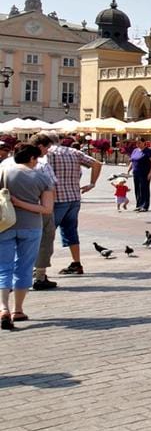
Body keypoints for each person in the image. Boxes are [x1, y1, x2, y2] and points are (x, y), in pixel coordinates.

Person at [0, 142, 53, 330]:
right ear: (32, 158)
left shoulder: (4, 172)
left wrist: (12, 202)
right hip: (31, 226)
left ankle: (3, 308)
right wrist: (22, 203)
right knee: (23, 267)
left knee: (3, 268)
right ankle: (18, 310)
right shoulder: (42, 177)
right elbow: (47, 209)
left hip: (4, 224)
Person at [43, 133, 102, 278]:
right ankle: (76, 263)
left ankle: (40, 268)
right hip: (74, 198)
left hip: (55, 200)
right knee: (71, 231)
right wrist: (92, 183)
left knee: (47, 234)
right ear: (60, 141)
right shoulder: (74, 152)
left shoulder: (47, 154)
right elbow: (97, 163)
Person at [129, 137, 151, 213]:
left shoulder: (149, 151)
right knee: (137, 189)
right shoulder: (135, 150)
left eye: (139, 143)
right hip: (136, 173)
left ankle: (145, 205)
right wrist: (128, 170)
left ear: (144, 143)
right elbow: (132, 161)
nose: (138, 144)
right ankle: (138, 205)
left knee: (144, 189)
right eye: (136, 143)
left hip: (145, 173)